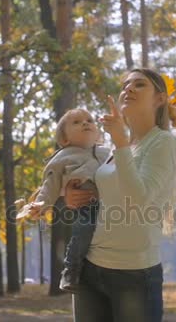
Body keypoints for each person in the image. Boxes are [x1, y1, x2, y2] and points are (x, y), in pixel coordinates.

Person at [65, 68, 176, 322]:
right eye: (126, 84)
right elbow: (106, 194)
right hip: (90, 269)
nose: (128, 88)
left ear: (159, 99)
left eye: (139, 85)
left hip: (134, 275)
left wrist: (119, 143)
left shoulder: (162, 142)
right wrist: (73, 194)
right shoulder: (115, 149)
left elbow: (137, 201)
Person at [16, 108, 110, 292]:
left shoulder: (107, 152)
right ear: (65, 140)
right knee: (84, 229)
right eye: (76, 122)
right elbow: (49, 185)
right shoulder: (62, 158)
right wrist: (41, 205)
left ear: (97, 133)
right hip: (86, 205)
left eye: (89, 120)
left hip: (113, 204)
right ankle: (71, 268)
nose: (85, 123)